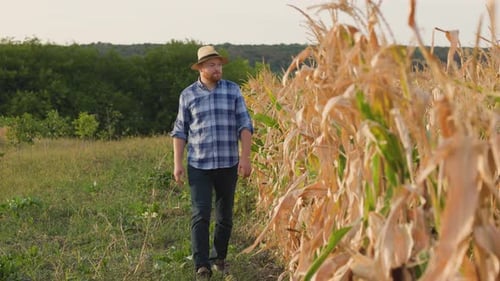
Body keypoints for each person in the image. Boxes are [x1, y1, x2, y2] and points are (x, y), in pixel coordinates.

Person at [170, 45, 253, 280]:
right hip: (199, 165)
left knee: (225, 216)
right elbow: (180, 131)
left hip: (228, 163)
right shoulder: (188, 95)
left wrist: (245, 159)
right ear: (201, 68)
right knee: (201, 213)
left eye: (219, 64)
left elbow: (245, 126)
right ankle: (202, 265)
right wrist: (177, 164)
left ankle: (219, 258)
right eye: (212, 65)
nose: (217, 68)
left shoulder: (233, 90)